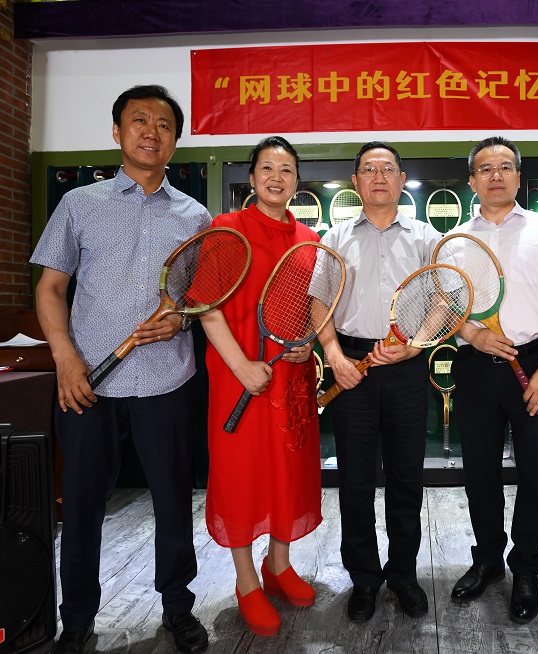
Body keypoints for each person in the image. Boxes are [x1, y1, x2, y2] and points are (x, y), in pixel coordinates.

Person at [32, 85, 210, 654]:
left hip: (167, 380)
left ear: (175, 141)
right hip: (88, 383)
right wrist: (65, 357)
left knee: (173, 500)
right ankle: (77, 620)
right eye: (139, 121)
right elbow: (50, 288)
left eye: (163, 125)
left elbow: (202, 298)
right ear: (117, 132)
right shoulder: (79, 204)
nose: (151, 132)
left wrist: (180, 318)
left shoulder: (196, 215)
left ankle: (178, 608)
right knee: (82, 506)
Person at [200, 136, 323, 637]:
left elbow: (309, 308)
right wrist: (243, 367)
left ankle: (279, 564)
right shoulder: (226, 229)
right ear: (251, 178)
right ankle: (247, 580)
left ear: (297, 182)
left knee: (287, 471)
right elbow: (207, 308)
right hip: (239, 378)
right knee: (242, 475)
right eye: (267, 168)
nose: (277, 177)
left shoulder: (309, 239)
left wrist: (306, 343)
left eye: (286, 169)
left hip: (290, 378)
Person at [448, 136, 538, 624]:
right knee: (479, 472)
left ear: (519, 177)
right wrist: (472, 334)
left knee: (536, 473)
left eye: (505, 167)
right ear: (472, 180)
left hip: (536, 364)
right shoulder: (455, 239)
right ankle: (487, 560)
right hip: (476, 367)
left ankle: (525, 567)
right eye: (485, 168)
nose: (495, 175)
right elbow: (448, 306)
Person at [317, 142, 441, 622]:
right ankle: (365, 578)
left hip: (407, 367)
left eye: (387, 168)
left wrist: (417, 344)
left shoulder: (427, 237)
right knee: (355, 480)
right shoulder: (335, 237)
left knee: (407, 478)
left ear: (401, 179)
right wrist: (333, 356)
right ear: (356, 182)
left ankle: (404, 574)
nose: (379, 176)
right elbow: (319, 302)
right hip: (352, 368)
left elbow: (443, 300)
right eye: (369, 169)